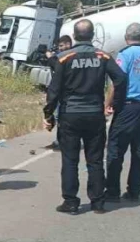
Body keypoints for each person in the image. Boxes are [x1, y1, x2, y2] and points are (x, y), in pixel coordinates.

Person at [43, 20, 127, 214]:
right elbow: (121, 78)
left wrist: (49, 114)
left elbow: (53, 90)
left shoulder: (64, 58)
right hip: (94, 114)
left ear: (74, 35)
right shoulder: (103, 56)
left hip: (70, 114)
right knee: (95, 160)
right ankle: (98, 202)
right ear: (92, 35)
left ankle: (71, 202)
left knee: (70, 160)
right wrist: (115, 104)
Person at [105, 23, 140, 202]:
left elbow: (118, 82)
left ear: (126, 37)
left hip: (128, 106)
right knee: (139, 150)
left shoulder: (125, 55)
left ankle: (113, 191)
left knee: (115, 149)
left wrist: (108, 103)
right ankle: (134, 190)